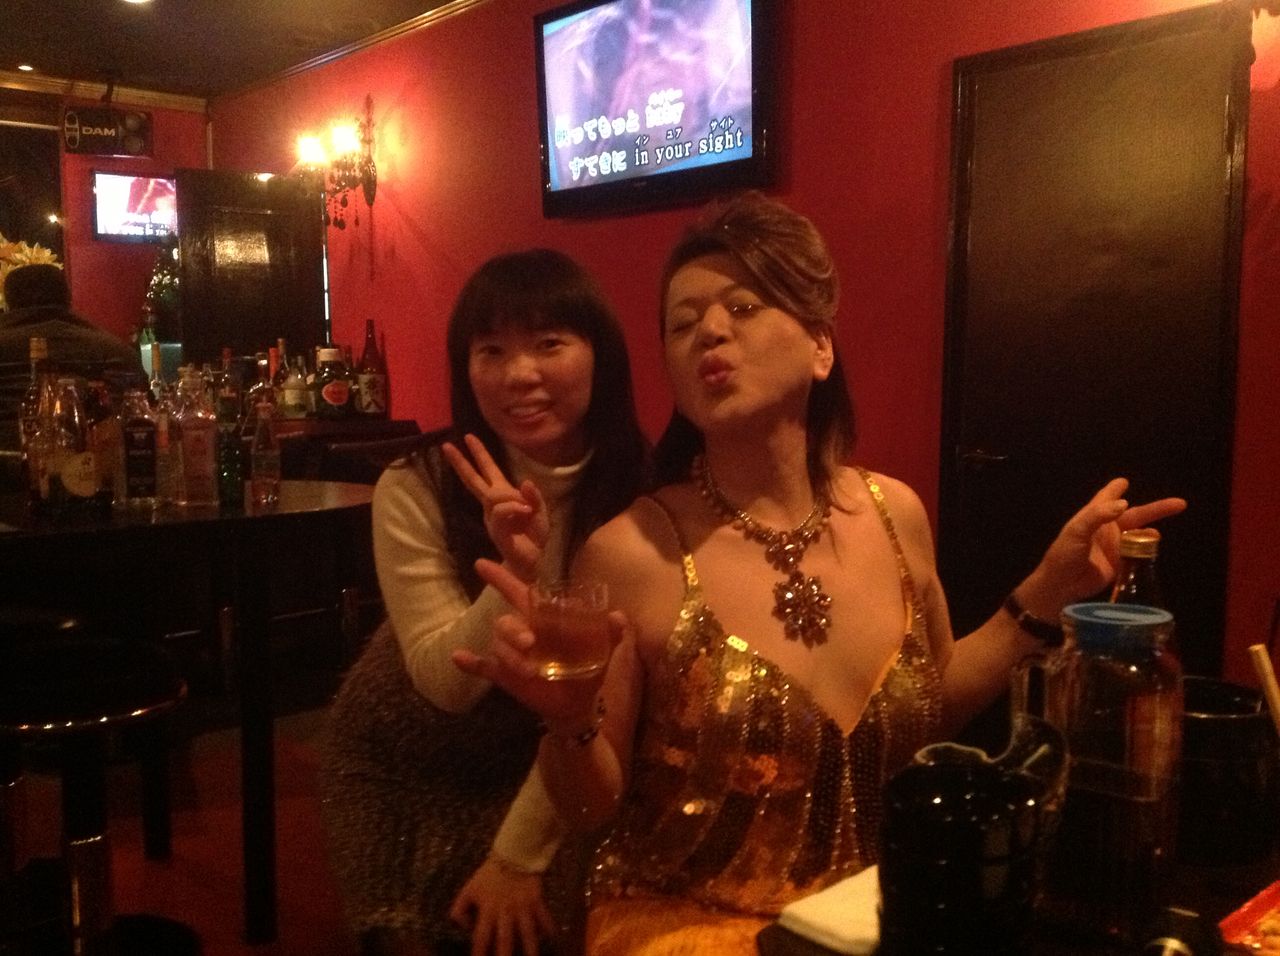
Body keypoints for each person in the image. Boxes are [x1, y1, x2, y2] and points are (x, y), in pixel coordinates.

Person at [455, 193, 1188, 955]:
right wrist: (570, 722)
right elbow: (588, 812)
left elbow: (931, 711)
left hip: (874, 920)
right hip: (685, 929)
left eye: (743, 306)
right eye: (682, 322)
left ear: (820, 348)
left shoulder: (896, 513)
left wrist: (1047, 591)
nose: (710, 331)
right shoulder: (633, 551)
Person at [318, 248, 649, 956]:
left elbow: (597, 707)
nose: (518, 374)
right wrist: (516, 571)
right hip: (403, 750)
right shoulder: (416, 483)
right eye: (490, 350)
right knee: (404, 935)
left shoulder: (642, 493)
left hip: (552, 756)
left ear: (601, 355)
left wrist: (516, 857)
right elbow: (445, 684)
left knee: (528, 933)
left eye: (549, 344)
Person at [0, 263, 145, 450]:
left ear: (8, 303)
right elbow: (137, 415)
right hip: (98, 462)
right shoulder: (116, 350)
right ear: (67, 298)